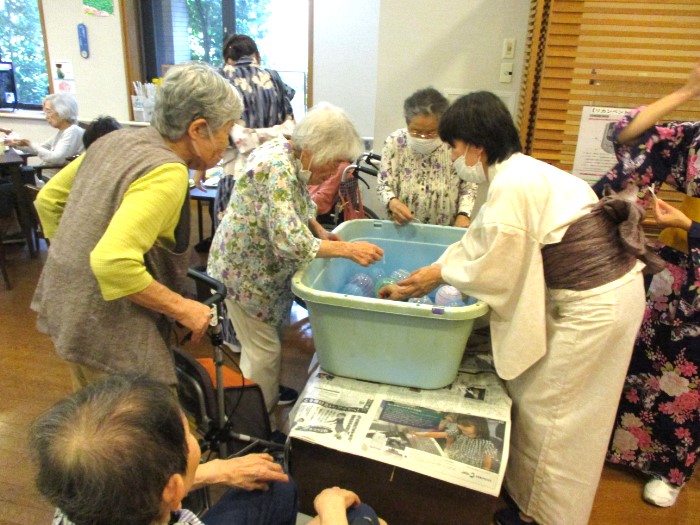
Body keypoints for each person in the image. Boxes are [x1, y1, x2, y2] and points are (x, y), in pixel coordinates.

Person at [379, 91, 653, 525]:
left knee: (556, 418)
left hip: (593, 306)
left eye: (452, 147)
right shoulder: (522, 173)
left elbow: (497, 269)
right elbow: (481, 243)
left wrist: (438, 276)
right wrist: (434, 271)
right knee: (556, 407)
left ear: (475, 146)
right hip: (609, 293)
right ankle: (532, 506)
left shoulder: (512, 184)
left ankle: (542, 516)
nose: (451, 156)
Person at [31, 62, 243, 391]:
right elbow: (111, 261)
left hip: (65, 307)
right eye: (225, 132)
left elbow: (48, 200)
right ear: (198, 129)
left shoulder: (112, 141)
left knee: (96, 421)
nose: (225, 144)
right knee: (146, 435)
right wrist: (183, 307)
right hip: (108, 328)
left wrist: (75, 255)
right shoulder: (167, 171)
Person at [207, 102, 384, 415]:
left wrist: (319, 230)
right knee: (264, 352)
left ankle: (267, 391)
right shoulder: (278, 168)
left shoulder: (289, 155)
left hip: (262, 272)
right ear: (313, 149)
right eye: (332, 163)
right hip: (243, 274)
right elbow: (290, 242)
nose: (332, 171)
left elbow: (298, 205)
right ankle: (253, 420)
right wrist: (348, 250)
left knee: (267, 343)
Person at [29, 374, 384, 525]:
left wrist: (217, 471)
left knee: (276, 482)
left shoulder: (77, 496)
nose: (194, 440)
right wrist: (332, 509)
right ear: (171, 491)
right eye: (189, 435)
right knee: (362, 515)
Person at [596, 62, 700, 508]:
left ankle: (670, 470)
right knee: (643, 354)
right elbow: (627, 136)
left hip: (693, 243)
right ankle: (622, 446)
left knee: (689, 374)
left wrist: (691, 223)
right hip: (677, 264)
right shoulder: (694, 135)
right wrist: (684, 91)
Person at [377, 87, 477, 227]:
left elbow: (469, 184)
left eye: (431, 132)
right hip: (402, 226)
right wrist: (392, 202)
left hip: (446, 226)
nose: (423, 137)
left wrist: (463, 215)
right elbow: (383, 184)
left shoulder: (455, 143)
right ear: (407, 123)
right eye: (416, 131)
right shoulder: (395, 142)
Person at [4, 93, 84, 177]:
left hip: (52, 180)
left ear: (62, 111)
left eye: (48, 112)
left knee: (8, 183)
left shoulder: (73, 131)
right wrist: (16, 144)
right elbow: (40, 148)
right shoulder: (63, 131)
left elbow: (57, 159)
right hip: (45, 175)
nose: (46, 117)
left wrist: (30, 144)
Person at [413, 415, 497, 471]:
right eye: (460, 425)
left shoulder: (487, 444)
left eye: (466, 426)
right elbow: (439, 434)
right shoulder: (458, 433)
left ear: (479, 426)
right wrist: (418, 434)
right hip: (449, 464)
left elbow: (487, 464)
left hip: (467, 470)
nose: (461, 428)